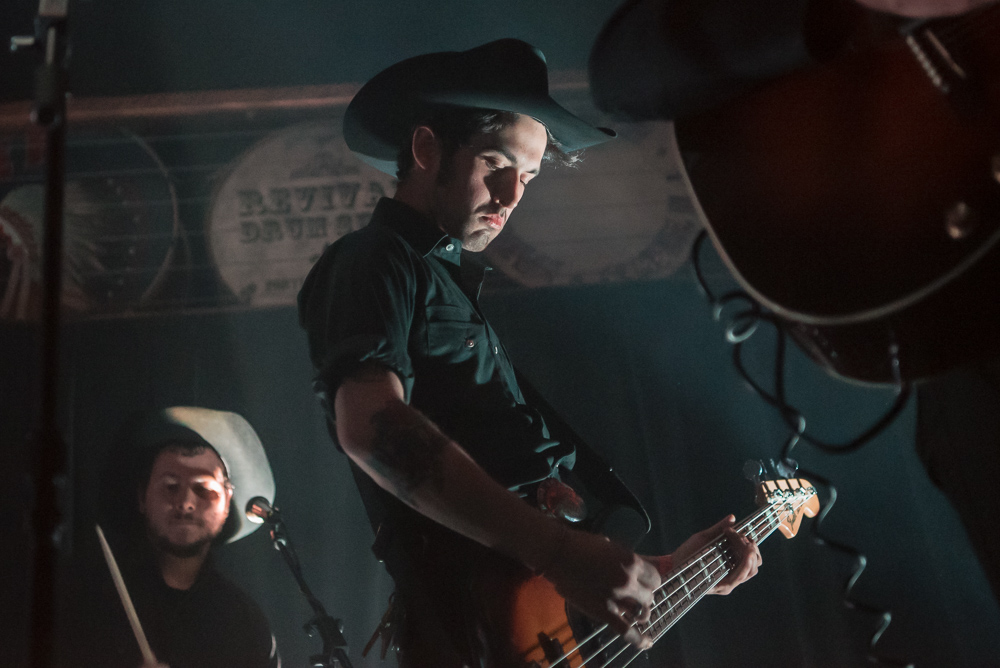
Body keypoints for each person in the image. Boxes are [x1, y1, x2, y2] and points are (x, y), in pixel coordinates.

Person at [298, 39, 761, 667]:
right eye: (496, 162)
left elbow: (520, 522)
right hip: (462, 631)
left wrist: (661, 571)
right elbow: (373, 429)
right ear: (426, 149)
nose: (513, 194)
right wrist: (562, 554)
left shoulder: (451, 287)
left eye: (531, 177)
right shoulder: (374, 261)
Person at [62, 406, 280, 668]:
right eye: (171, 487)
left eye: (203, 489)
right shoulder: (91, 603)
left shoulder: (244, 623)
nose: (186, 503)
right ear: (142, 497)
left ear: (226, 506)